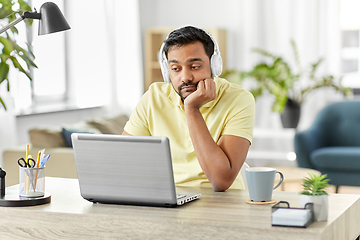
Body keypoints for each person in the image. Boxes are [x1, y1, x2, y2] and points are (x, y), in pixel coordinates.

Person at [123, 26, 255, 191]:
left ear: (214, 66)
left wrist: (191, 109)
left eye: (194, 66)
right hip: (168, 198)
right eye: (176, 69)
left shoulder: (238, 99)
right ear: (167, 71)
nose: (185, 77)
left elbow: (221, 180)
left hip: (221, 202)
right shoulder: (153, 97)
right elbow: (125, 161)